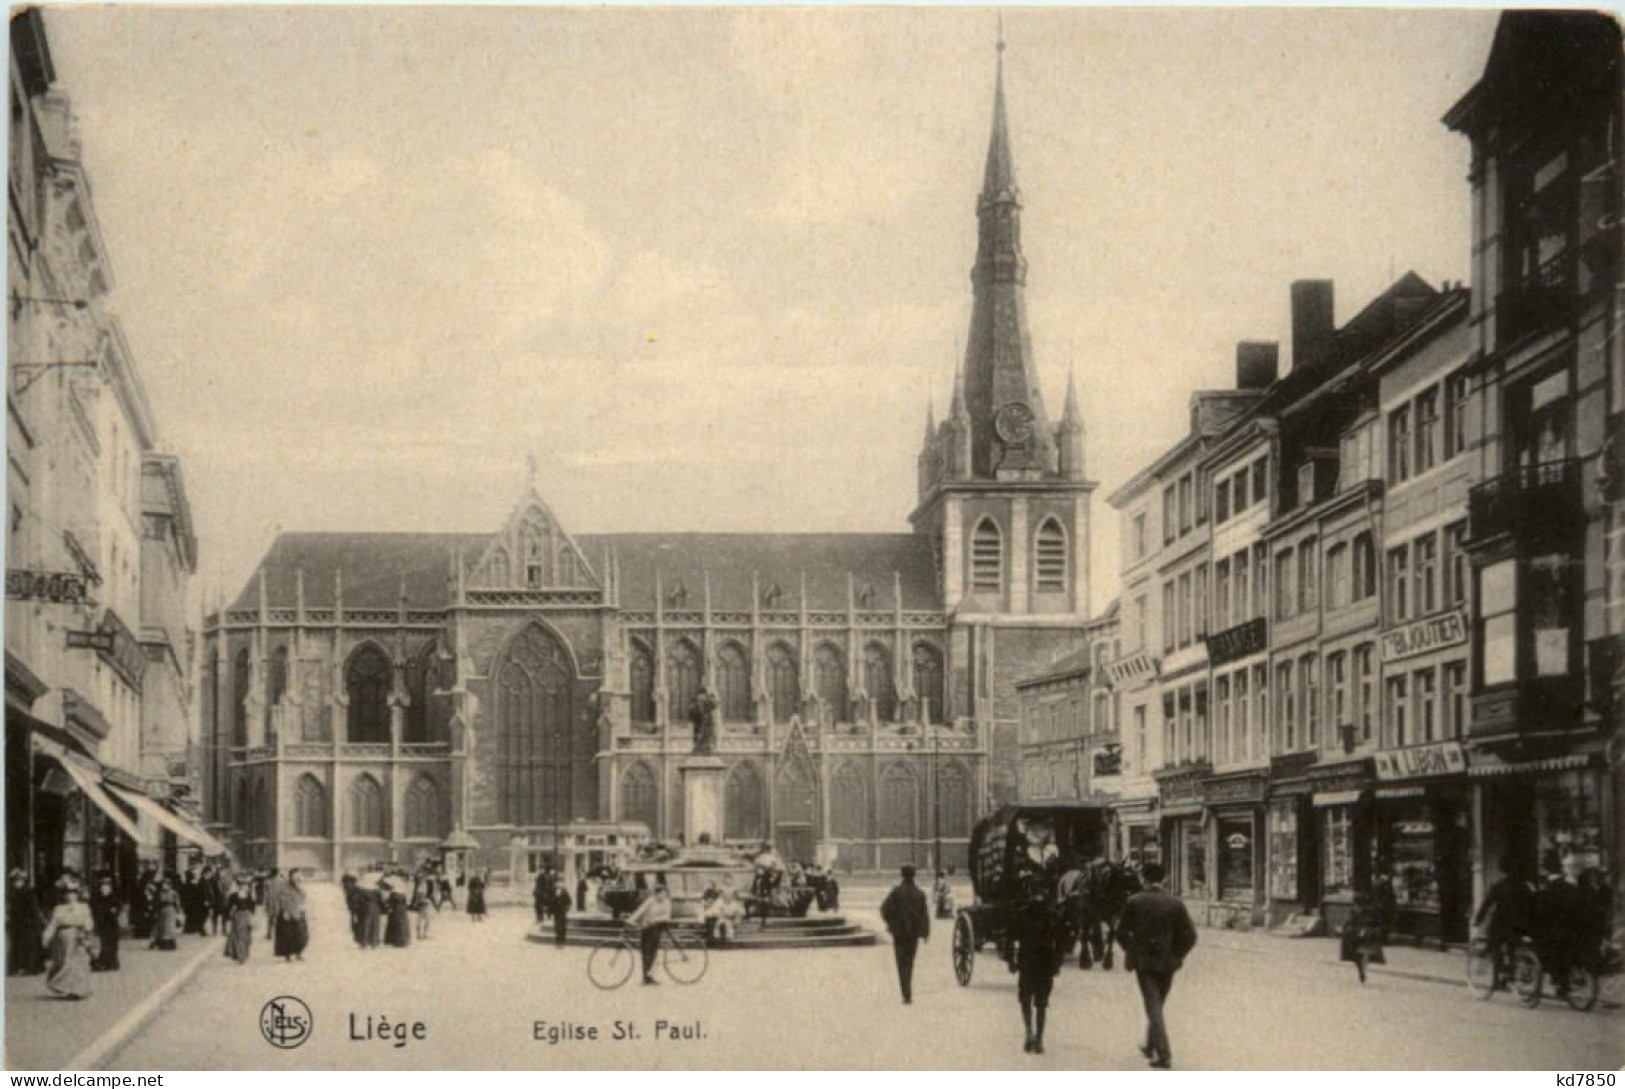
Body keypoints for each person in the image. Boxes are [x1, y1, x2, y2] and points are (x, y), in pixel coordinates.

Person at [1116, 862, 1197, 1070]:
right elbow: (1189, 936)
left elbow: (1120, 932)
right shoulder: (1175, 903)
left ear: (1143, 878)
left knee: (1153, 1007)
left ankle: (1164, 1054)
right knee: (1157, 1004)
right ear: (1165, 879)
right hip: (1168, 963)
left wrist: (1131, 950)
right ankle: (1150, 1044)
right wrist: (1177, 955)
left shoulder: (1134, 901)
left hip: (1144, 963)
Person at [1011, 897, 1065, 1054]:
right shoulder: (1051, 916)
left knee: (1030, 1000)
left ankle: (1032, 1034)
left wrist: (1013, 959)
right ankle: (1036, 1036)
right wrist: (1057, 962)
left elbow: (1012, 938)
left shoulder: (1023, 914)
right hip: (1041, 963)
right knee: (1038, 1002)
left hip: (1031, 962)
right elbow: (1060, 942)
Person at [1473, 855, 1536, 989]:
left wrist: (1477, 919)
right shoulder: (1525, 886)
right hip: (1520, 926)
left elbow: (1486, 904)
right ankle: (1513, 973)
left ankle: (1497, 978)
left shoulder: (1498, 886)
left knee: (1494, 946)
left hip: (1501, 925)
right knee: (1514, 948)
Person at [880, 865, 930, 1004]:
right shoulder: (920, 894)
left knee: (901, 962)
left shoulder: (896, 892)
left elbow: (884, 909)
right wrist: (925, 932)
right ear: (914, 875)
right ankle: (908, 991)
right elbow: (924, 915)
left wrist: (891, 923)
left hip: (899, 933)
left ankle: (906, 993)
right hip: (913, 934)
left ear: (902, 875)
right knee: (910, 961)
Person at [41, 880, 94, 1000]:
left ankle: (77, 990)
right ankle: (65, 987)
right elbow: (53, 925)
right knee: (64, 962)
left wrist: (87, 929)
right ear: (64, 896)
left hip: (78, 937)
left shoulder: (83, 907)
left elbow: (88, 921)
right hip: (62, 940)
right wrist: (46, 937)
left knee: (77, 963)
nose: (70, 896)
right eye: (68, 894)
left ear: (77, 895)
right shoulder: (59, 909)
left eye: (73, 894)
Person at [627, 883, 672, 985]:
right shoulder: (651, 901)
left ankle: (648, 976)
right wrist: (631, 919)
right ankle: (646, 977)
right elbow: (640, 910)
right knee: (645, 953)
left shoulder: (667, 902)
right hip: (646, 928)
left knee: (651, 953)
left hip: (657, 928)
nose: (661, 896)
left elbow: (667, 916)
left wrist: (655, 920)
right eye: (658, 894)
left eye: (663, 893)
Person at [1340, 891, 1386, 984]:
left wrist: (1346, 929)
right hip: (1369, 933)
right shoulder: (1373, 910)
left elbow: (1348, 922)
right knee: (1366, 953)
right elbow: (1379, 923)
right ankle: (1363, 970)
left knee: (1356, 954)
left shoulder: (1354, 910)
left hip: (1355, 933)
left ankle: (1361, 970)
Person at [7, 869, 46, 977]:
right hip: (17, 923)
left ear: (24, 881)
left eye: (19, 880)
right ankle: (20, 966)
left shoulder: (28, 893)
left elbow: (34, 909)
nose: (16, 883)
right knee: (18, 944)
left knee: (29, 944)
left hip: (28, 923)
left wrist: (39, 920)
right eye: (15, 881)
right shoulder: (13, 893)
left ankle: (30, 967)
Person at [89, 873, 122, 972]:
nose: (104, 889)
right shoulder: (98, 899)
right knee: (105, 943)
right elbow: (96, 910)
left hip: (111, 925)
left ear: (110, 889)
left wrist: (110, 911)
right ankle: (107, 962)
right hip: (103, 925)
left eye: (106, 887)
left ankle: (110, 962)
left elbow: (115, 910)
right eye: (102, 887)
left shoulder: (113, 899)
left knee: (111, 944)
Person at [274, 870, 309, 962]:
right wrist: (285, 911)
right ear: (290, 876)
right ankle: (288, 955)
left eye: (298, 875)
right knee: (288, 935)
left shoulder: (299, 886)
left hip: (298, 913)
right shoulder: (284, 886)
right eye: (295, 876)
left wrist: (300, 888)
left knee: (302, 935)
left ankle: (298, 952)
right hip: (287, 914)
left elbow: (303, 897)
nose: (297, 877)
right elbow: (281, 899)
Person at [224, 874, 256, 964]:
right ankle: (240, 955)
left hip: (247, 916)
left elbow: (252, 908)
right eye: (243, 885)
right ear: (240, 886)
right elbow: (229, 908)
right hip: (237, 917)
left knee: (247, 937)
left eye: (246, 885)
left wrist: (252, 916)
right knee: (239, 936)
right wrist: (228, 918)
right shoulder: (233, 896)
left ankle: (243, 954)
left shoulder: (249, 895)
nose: (246, 887)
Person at [150, 878, 181, 951]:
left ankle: (169, 942)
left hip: (170, 911)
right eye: (164, 884)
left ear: (170, 885)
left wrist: (177, 911)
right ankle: (162, 942)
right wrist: (156, 911)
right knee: (162, 927)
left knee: (169, 927)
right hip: (162, 911)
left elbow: (177, 902)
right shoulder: (160, 893)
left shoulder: (173, 893)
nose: (165, 886)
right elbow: (157, 903)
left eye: (167, 884)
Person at [552, 878, 572, 948]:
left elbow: (569, 901)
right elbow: (552, 902)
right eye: (558, 884)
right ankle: (558, 940)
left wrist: (566, 908)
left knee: (562, 926)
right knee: (557, 926)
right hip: (556, 912)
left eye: (560, 884)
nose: (559, 885)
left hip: (562, 912)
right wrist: (552, 910)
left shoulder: (565, 892)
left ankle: (562, 940)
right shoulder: (554, 892)